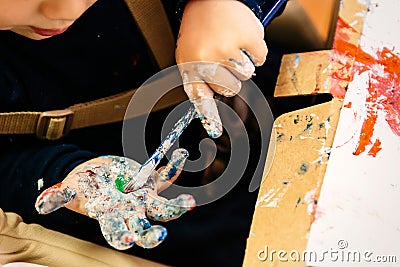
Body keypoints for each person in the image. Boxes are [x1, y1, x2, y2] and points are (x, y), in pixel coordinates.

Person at [0, 0, 285, 265]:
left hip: (274, 124)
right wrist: (64, 171)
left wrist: (229, 5)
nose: (65, 10)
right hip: (167, 225)